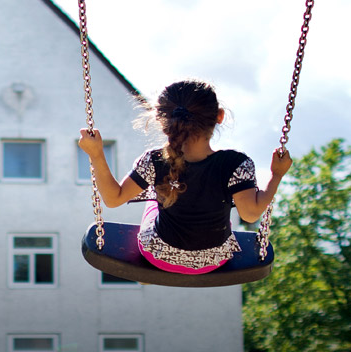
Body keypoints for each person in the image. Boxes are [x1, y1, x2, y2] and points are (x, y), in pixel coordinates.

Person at [78, 79, 292, 274]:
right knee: (216, 200)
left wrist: (96, 153)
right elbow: (251, 214)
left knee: (155, 198)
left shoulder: (154, 161)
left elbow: (113, 199)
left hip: (158, 257)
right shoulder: (236, 164)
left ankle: (146, 273)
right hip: (214, 260)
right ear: (219, 117)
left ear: (163, 121)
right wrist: (276, 175)